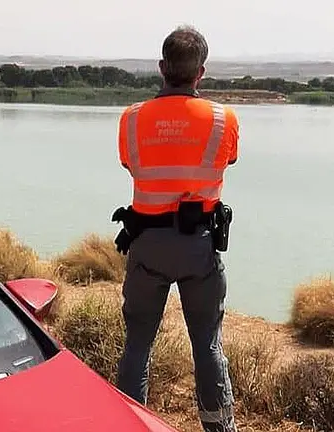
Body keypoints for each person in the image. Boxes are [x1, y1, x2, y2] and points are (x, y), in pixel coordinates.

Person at [111, 25, 240, 432]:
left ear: (161, 67)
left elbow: (131, 165)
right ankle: (219, 428)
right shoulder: (223, 118)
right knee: (207, 345)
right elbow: (228, 161)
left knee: (137, 345)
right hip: (199, 247)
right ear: (200, 72)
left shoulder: (131, 119)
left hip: (146, 244)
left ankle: (130, 424)